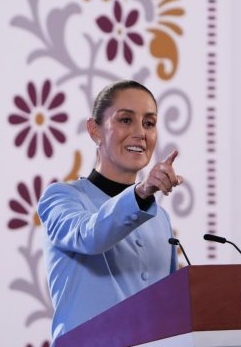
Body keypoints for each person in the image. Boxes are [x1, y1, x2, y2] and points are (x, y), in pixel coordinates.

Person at [37, 80, 183, 343]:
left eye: (149, 123)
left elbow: (168, 306)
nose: (140, 133)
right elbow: (89, 236)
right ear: (95, 130)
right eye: (126, 120)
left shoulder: (160, 219)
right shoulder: (60, 198)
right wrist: (141, 192)